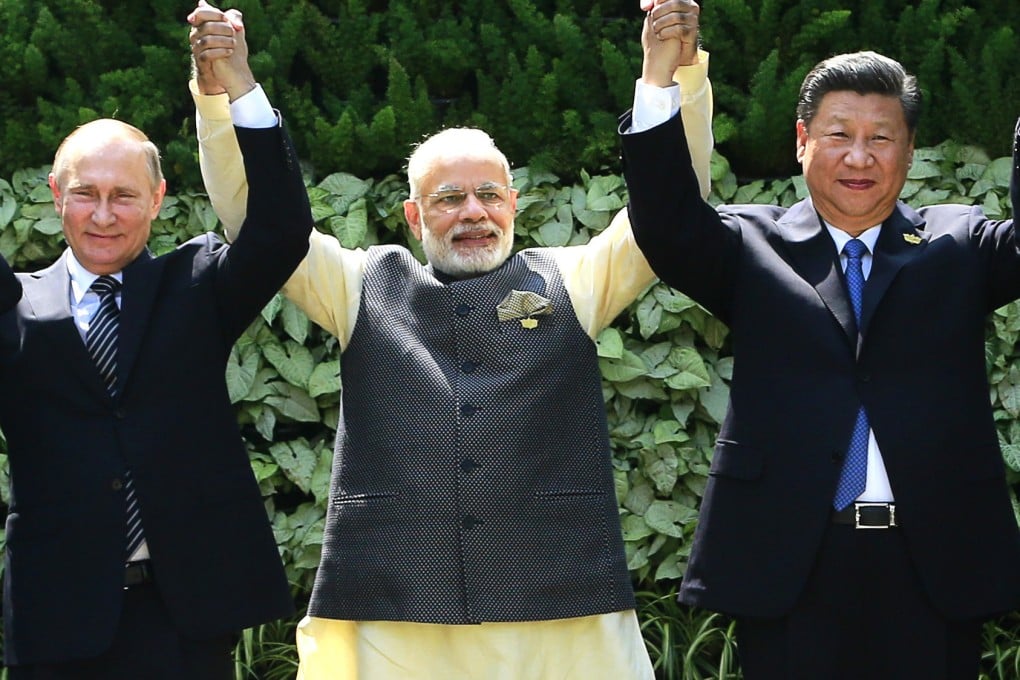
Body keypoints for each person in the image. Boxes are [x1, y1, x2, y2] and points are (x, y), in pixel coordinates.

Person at [189, 1, 710, 677]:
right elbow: (259, 225)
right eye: (449, 198)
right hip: (393, 605)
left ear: (514, 206)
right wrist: (232, 88)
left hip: (559, 605)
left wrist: (668, 75)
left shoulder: (577, 280)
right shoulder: (354, 284)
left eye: (489, 195)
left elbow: (672, 211)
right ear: (413, 215)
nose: (474, 213)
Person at [621, 13, 1020, 679]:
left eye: (880, 138)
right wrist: (659, 74)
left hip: (931, 566)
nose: (859, 157)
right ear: (803, 141)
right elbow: (665, 225)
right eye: (839, 135)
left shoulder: (959, 244)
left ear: (910, 150)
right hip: (792, 566)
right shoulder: (753, 245)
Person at [0, 7, 314, 677]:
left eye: (125, 196)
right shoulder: (15, 306)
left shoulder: (197, 285)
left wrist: (237, 82)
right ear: (56, 195)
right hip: (57, 620)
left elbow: (282, 229)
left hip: (185, 617)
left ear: (159, 199)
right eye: (86, 194)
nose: (104, 215)